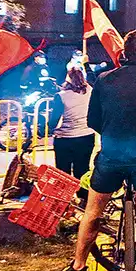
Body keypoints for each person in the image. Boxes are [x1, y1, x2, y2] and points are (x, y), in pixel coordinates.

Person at [53, 30, 136, 271]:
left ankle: (78, 267)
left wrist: (113, 132)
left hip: (111, 157)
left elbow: (93, 120)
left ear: (122, 54)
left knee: (93, 211)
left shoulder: (103, 80)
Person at [49, 67, 95, 200]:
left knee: (64, 173)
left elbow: (54, 120)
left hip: (65, 139)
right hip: (86, 136)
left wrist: (47, 128)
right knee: (83, 170)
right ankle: (83, 200)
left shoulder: (61, 96)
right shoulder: (89, 91)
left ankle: (64, 200)